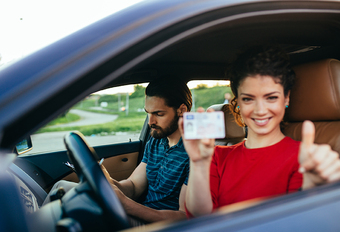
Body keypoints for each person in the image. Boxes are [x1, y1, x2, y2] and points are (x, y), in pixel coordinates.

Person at [179, 46, 340, 217]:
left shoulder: (305, 157)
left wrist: (311, 188)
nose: (260, 110)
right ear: (238, 101)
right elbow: (200, 215)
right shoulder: (216, 155)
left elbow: (297, 221)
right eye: (248, 99)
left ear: (286, 98)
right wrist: (198, 164)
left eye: (271, 97)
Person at [45, 78, 192, 224]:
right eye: (148, 113)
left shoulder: (195, 153)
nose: (150, 122)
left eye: (159, 114)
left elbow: (184, 216)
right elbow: (133, 187)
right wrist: (106, 179)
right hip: (139, 211)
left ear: (182, 110)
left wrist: (127, 205)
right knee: (61, 186)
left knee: (80, 212)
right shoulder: (156, 141)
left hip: (158, 225)